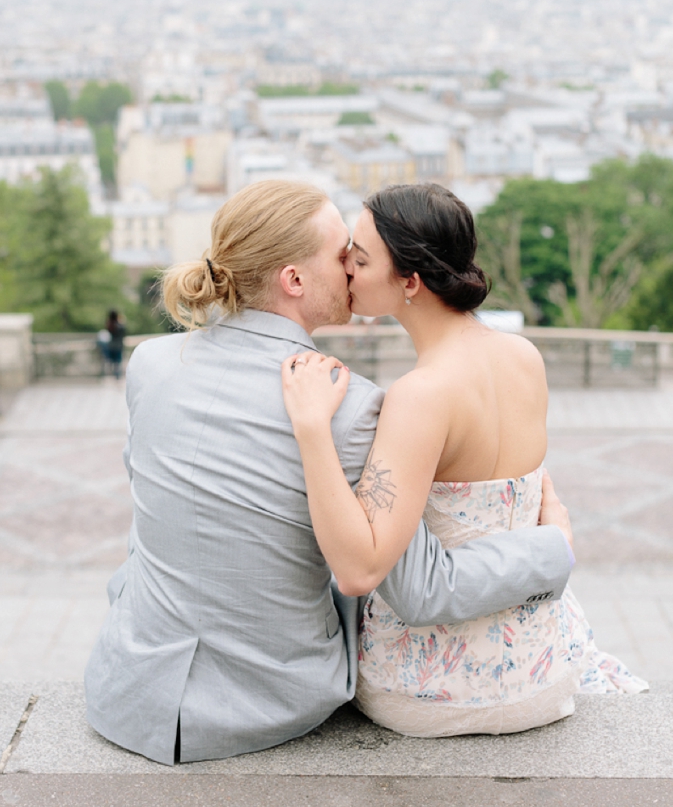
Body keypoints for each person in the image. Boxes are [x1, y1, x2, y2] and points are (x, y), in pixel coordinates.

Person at [85, 179, 575, 765]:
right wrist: (554, 549)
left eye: (358, 256)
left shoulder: (151, 364)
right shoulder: (352, 406)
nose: (350, 267)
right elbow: (413, 582)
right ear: (293, 279)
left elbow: (153, 498)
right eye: (344, 253)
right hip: (270, 702)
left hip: (128, 685)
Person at [282, 183, 648, 739]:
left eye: (358, 258)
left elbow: (361, 570)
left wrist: (311, 429)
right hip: (544, 669)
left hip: (430, 689)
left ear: (410, 281)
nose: (347, 271)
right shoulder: (524, 356)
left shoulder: (420, 395)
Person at [98, 310, 126, 379]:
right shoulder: (120, 325)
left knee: (111, 362)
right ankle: (117, 377)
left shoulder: (110, 325)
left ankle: (110, 376)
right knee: (117, 363)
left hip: (111, 346)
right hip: (118, 346)